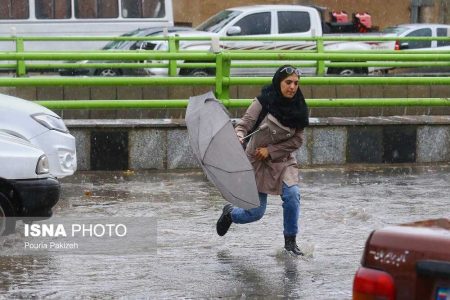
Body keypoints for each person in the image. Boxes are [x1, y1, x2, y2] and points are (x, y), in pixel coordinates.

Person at [216, 65, 309, 256]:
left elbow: (298, 140)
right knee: (255, 213)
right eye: (288, 82)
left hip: (283, 160)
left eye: (296, 83)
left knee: (292, 195)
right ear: (278, 82)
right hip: (256, 162)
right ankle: (230, 213)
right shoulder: (263, 102)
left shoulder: (299, 107)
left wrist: (271, 150)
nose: (292, 87)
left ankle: (290, 242)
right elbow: (243, 125)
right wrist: (239, 136)